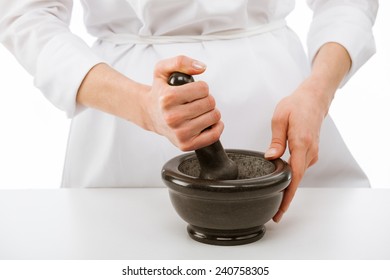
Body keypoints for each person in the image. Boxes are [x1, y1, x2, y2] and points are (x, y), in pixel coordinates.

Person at [0, 0, 378, 222]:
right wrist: (142, 105)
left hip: (283, 93)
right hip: (123, 122)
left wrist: (317, 92)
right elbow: (28, 16)